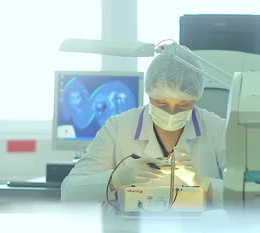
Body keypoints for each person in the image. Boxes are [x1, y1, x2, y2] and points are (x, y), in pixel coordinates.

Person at [61, 50, 226, 208]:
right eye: (161, 102)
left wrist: (204, 183)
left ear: (196, 97)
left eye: (183, 104)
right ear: (149, 94)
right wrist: (115, 179)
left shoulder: (217, 129)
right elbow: (69, 192)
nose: (172, 111)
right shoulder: (117, 128)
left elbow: (246, 197)